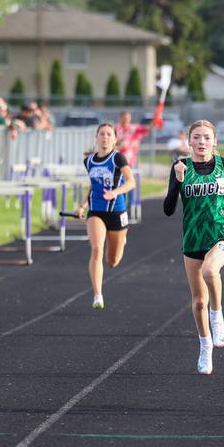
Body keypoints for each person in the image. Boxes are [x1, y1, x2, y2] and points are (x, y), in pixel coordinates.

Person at [163, 120, 224, 375]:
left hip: (221, 233)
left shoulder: (222, 164)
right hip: (193, 238)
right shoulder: (180, 167)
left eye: (206, 137)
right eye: (197, 137)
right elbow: (168, 209)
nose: (202, 142)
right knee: (197, 303)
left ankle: (218, 316)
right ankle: (205, 346)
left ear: (214, 141)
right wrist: (178, 181)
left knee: (210, 271)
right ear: (189, 141)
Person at [75, 123, 136, 310]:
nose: (105, 137)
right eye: (102, 134)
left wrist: (115, 192)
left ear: (115, 139)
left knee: (112, 261)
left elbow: (131, 182)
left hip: (117, 212)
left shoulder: (118, 158)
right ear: (96, 137)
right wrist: (83, 205)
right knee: (96, 249)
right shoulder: (89, 161)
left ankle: (121, 239)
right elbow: (93, 185)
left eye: (109, 134)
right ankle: (97, 295)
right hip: (96, 211)